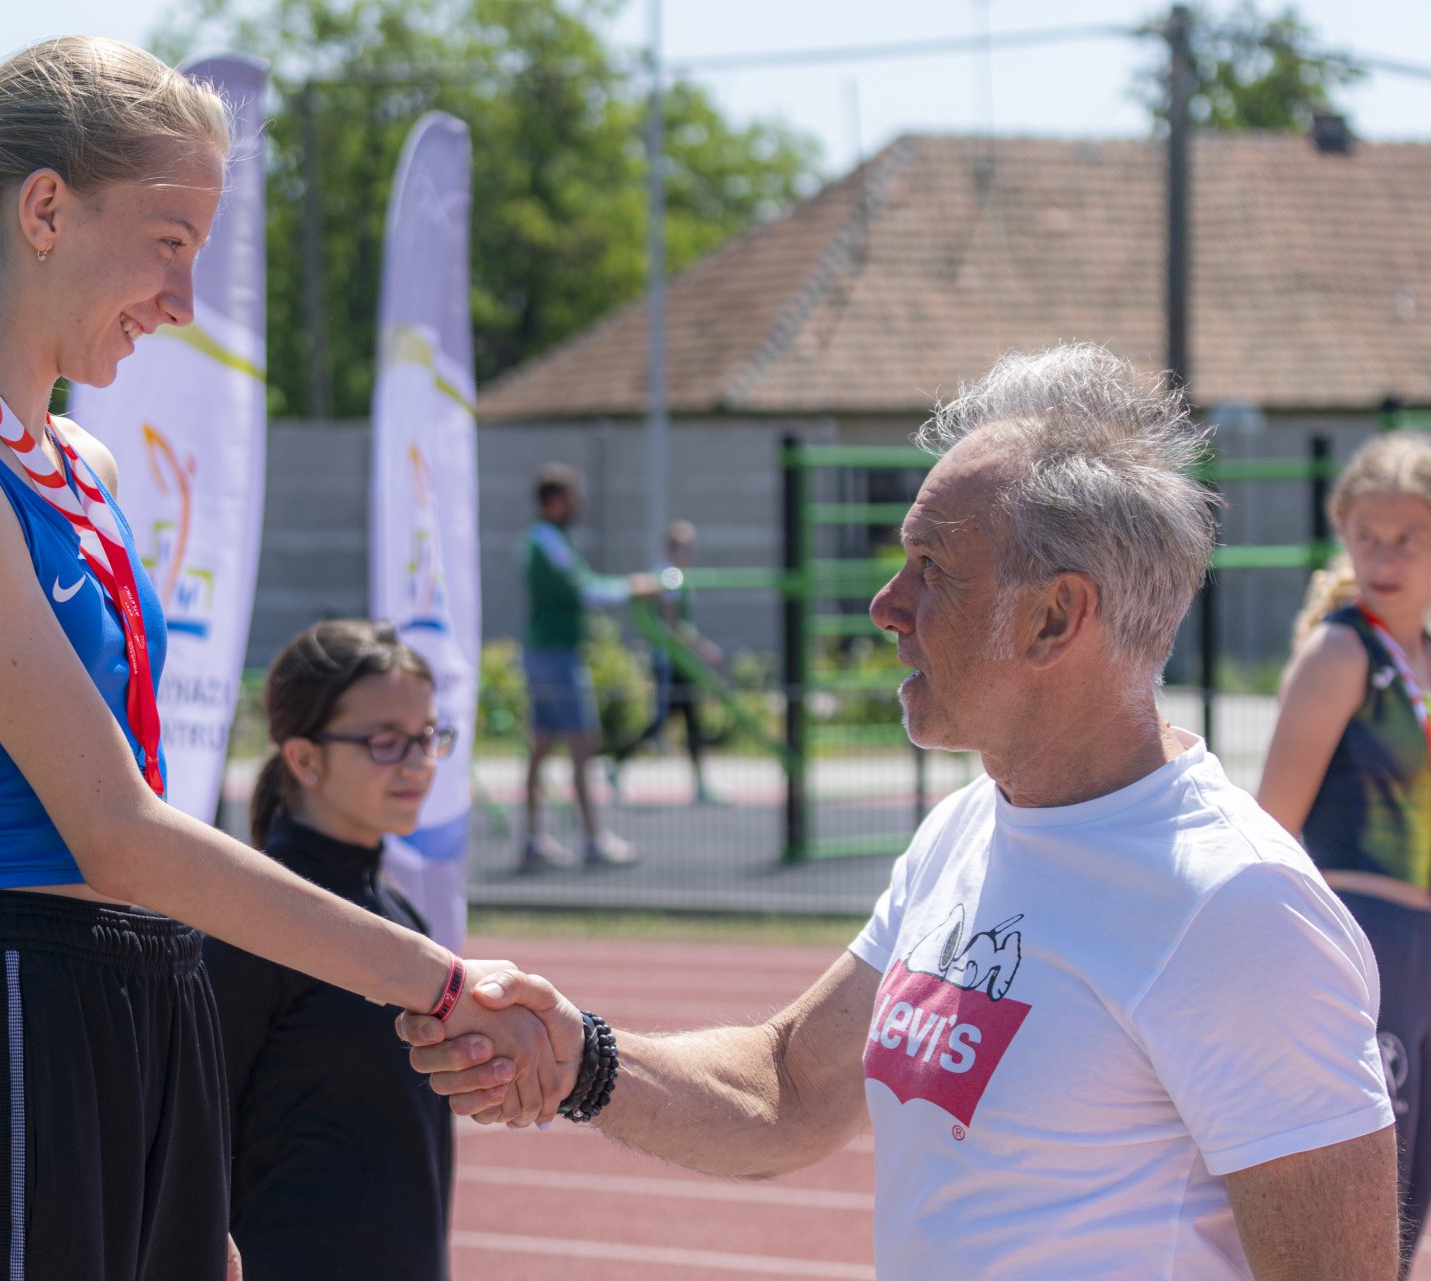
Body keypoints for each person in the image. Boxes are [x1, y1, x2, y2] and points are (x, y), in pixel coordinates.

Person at [0, 39, 573, 1280]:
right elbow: (119, 832)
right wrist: (439, 979)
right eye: (169, 241)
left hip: (156, 1011)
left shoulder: (86, 469)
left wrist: (183, 1139)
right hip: (14, 1025)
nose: (183, 303)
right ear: (44, 210)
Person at [406, 345, 1401, 1281]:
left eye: (933, 571)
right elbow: (790, 1088)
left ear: (1057, 617)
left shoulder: (1236, 907)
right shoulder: (970, 827)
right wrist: (582, 1055)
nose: (886, 604)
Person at [203, 621, 457, 1280]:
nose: (418, 761)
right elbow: (189, 1137)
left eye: (428, 736)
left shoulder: (400, 916)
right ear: (305, 758)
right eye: (384, 740)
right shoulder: (254, 920)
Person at [1259, 430, 1431, 1272]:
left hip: (1428, 954)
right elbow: (1269, 823)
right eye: (1368, 535)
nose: (1385, 555)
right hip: (1365, 941)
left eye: (1410, 537)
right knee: (1372, 1199)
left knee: (1413, 1205)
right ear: (1344, 534)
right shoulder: (1340, 653)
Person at [518, 463, 651, 870]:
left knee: (542, 747)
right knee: (581, 743)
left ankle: (532, 838)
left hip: (545, 652)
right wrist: (632, 587)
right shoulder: (548, 542)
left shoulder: (542, 540)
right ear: (556, 500)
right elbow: (585, 590)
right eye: (574, 496)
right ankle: (592, 839)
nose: (580, 504)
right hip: (556, 655)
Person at [608, 519, 722, 805]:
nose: (690, 552)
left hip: (680, 659)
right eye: (686, 547)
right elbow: (672, 623)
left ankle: (700, 785)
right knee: (659, 723)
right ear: (674, 548)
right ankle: (617, 764)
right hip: (670, 661)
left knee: (691, 722)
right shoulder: (670, 575)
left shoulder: (677, 575)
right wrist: (703, 648)